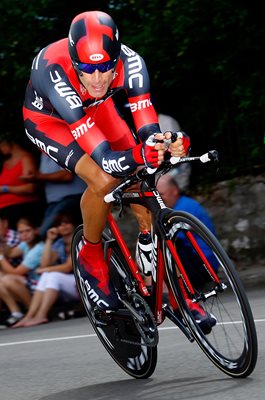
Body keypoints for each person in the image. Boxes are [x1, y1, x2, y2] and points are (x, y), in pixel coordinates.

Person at [23, 11, 190, 313]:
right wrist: (139, 154)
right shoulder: (52, 69)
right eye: (87, 68)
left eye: (106, 68)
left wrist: (164, 142)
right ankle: (90, 253)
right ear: (75, 62)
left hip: (98, 109)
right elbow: (105, 158)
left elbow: (146, 122)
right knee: (103, 179)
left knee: (144, 181)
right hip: (52, 121)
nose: (98, 78)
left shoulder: (132, 62)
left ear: (118, 58)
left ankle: (178, 293)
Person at [13, 212, 80, 328]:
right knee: (47, 275)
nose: (63, 226)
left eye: (67, 223)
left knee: (52, 275)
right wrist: (49, 240)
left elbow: (69, 266)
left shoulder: (79, 239)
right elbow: (45, 263)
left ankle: (41, 315)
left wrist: (47, 269)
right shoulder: (59, 243)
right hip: (70, 284)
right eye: (60, 224)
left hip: (82, 284)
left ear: (73, 224)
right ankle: (29, 316)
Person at [157, 173, 219, 284]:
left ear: (174, 190)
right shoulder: (181, 205)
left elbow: (173, 239)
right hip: (201, 263)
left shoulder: (184, 209)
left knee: (165, 245)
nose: (159, 199)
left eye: (162, 194)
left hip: (203, 266)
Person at [22, 152, 86, 237]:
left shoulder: (57, 149)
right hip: (54, 201)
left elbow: (67, 175)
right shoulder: (43, 154)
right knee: (43, 233)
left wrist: (38, 176)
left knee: (43, 232)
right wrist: (33, 179)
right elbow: (43, 177)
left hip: (72, 197)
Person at [0, 217, 44, 326]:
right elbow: (10, 253)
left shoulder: (39, 248)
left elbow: (16, 272)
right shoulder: (25, 244)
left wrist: (0, 257)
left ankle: (32, 310)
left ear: (36, 230)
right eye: (21, 232)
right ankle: (16, 312)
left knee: (8, 279)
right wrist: (1, 239)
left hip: (41, 285)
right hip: (31, 283)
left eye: (28, 231)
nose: (24, 235)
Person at [0, 132, 43, 229]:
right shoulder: (5, 163)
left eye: (1, 145)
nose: (1, 149)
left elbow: (31, 188)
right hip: (4, 213)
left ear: (10, 143)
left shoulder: (26, 158)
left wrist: (5, 189)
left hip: (21, 208)